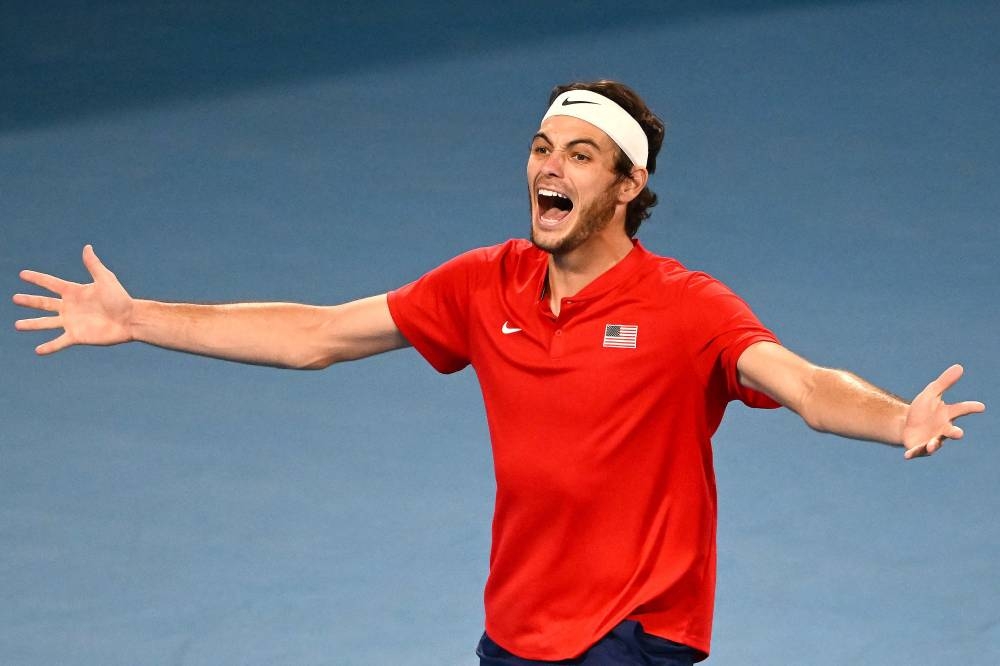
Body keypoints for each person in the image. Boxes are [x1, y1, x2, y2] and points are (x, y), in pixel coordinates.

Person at [13, 80, 985, 665]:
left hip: (637, 634)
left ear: (629, 185)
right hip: (516, 629)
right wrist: (139, 318)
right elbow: (312, 334)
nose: (546, 168)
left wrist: (897, 415)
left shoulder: (688, 308)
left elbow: (808, 386)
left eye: (579, 154)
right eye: (539, 147)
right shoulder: (486, 284)